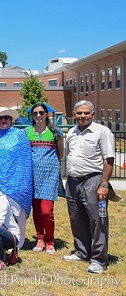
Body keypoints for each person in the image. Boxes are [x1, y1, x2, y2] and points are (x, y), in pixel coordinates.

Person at [63, 100, 114, 274]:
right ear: (74, 114)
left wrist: (104, 184)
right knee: (76, 218)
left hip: (94, 181)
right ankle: (81, 251)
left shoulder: (102, 132)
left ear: (93, 114)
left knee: (97, 220)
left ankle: (99, 259)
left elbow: (109, 159)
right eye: (79, 113)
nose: (82, 116)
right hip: (73, 181)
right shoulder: (71, 132)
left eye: (86, 113)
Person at [0, 107, 32, 249]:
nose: (3, 120)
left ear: (11, 119)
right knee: (3, 213)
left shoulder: (20, 135)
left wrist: (24, 181)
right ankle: (3, 239)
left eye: (6, 117)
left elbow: (25, 159)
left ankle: (18, 242)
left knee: (18, 213)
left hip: (18, 181)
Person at [26, 103, 64, 255]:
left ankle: (50, 240)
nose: (38, 116)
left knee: (46, 211)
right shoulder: (27, 132)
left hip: (49, 176)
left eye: (41, 112)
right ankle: (40, 238)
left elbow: (60, 154)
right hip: (32, 176)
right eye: (35, 113)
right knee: (36, 210)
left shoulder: (56, 132)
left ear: (46, 114)